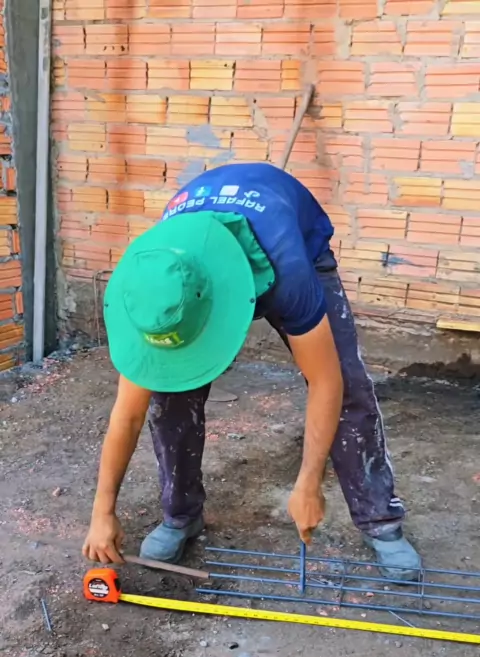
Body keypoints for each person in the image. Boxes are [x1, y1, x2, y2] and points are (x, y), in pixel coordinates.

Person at [82, 163, 421, 582]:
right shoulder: (149, 289)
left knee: (347, 384)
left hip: (286, 244)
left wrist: (309, 482)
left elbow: (325, 381)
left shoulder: (288, 269)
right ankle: (181, 515)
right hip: (198, 252)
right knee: (168, 397)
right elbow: (127, 414)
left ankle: (380, 521)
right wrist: (102, 511)